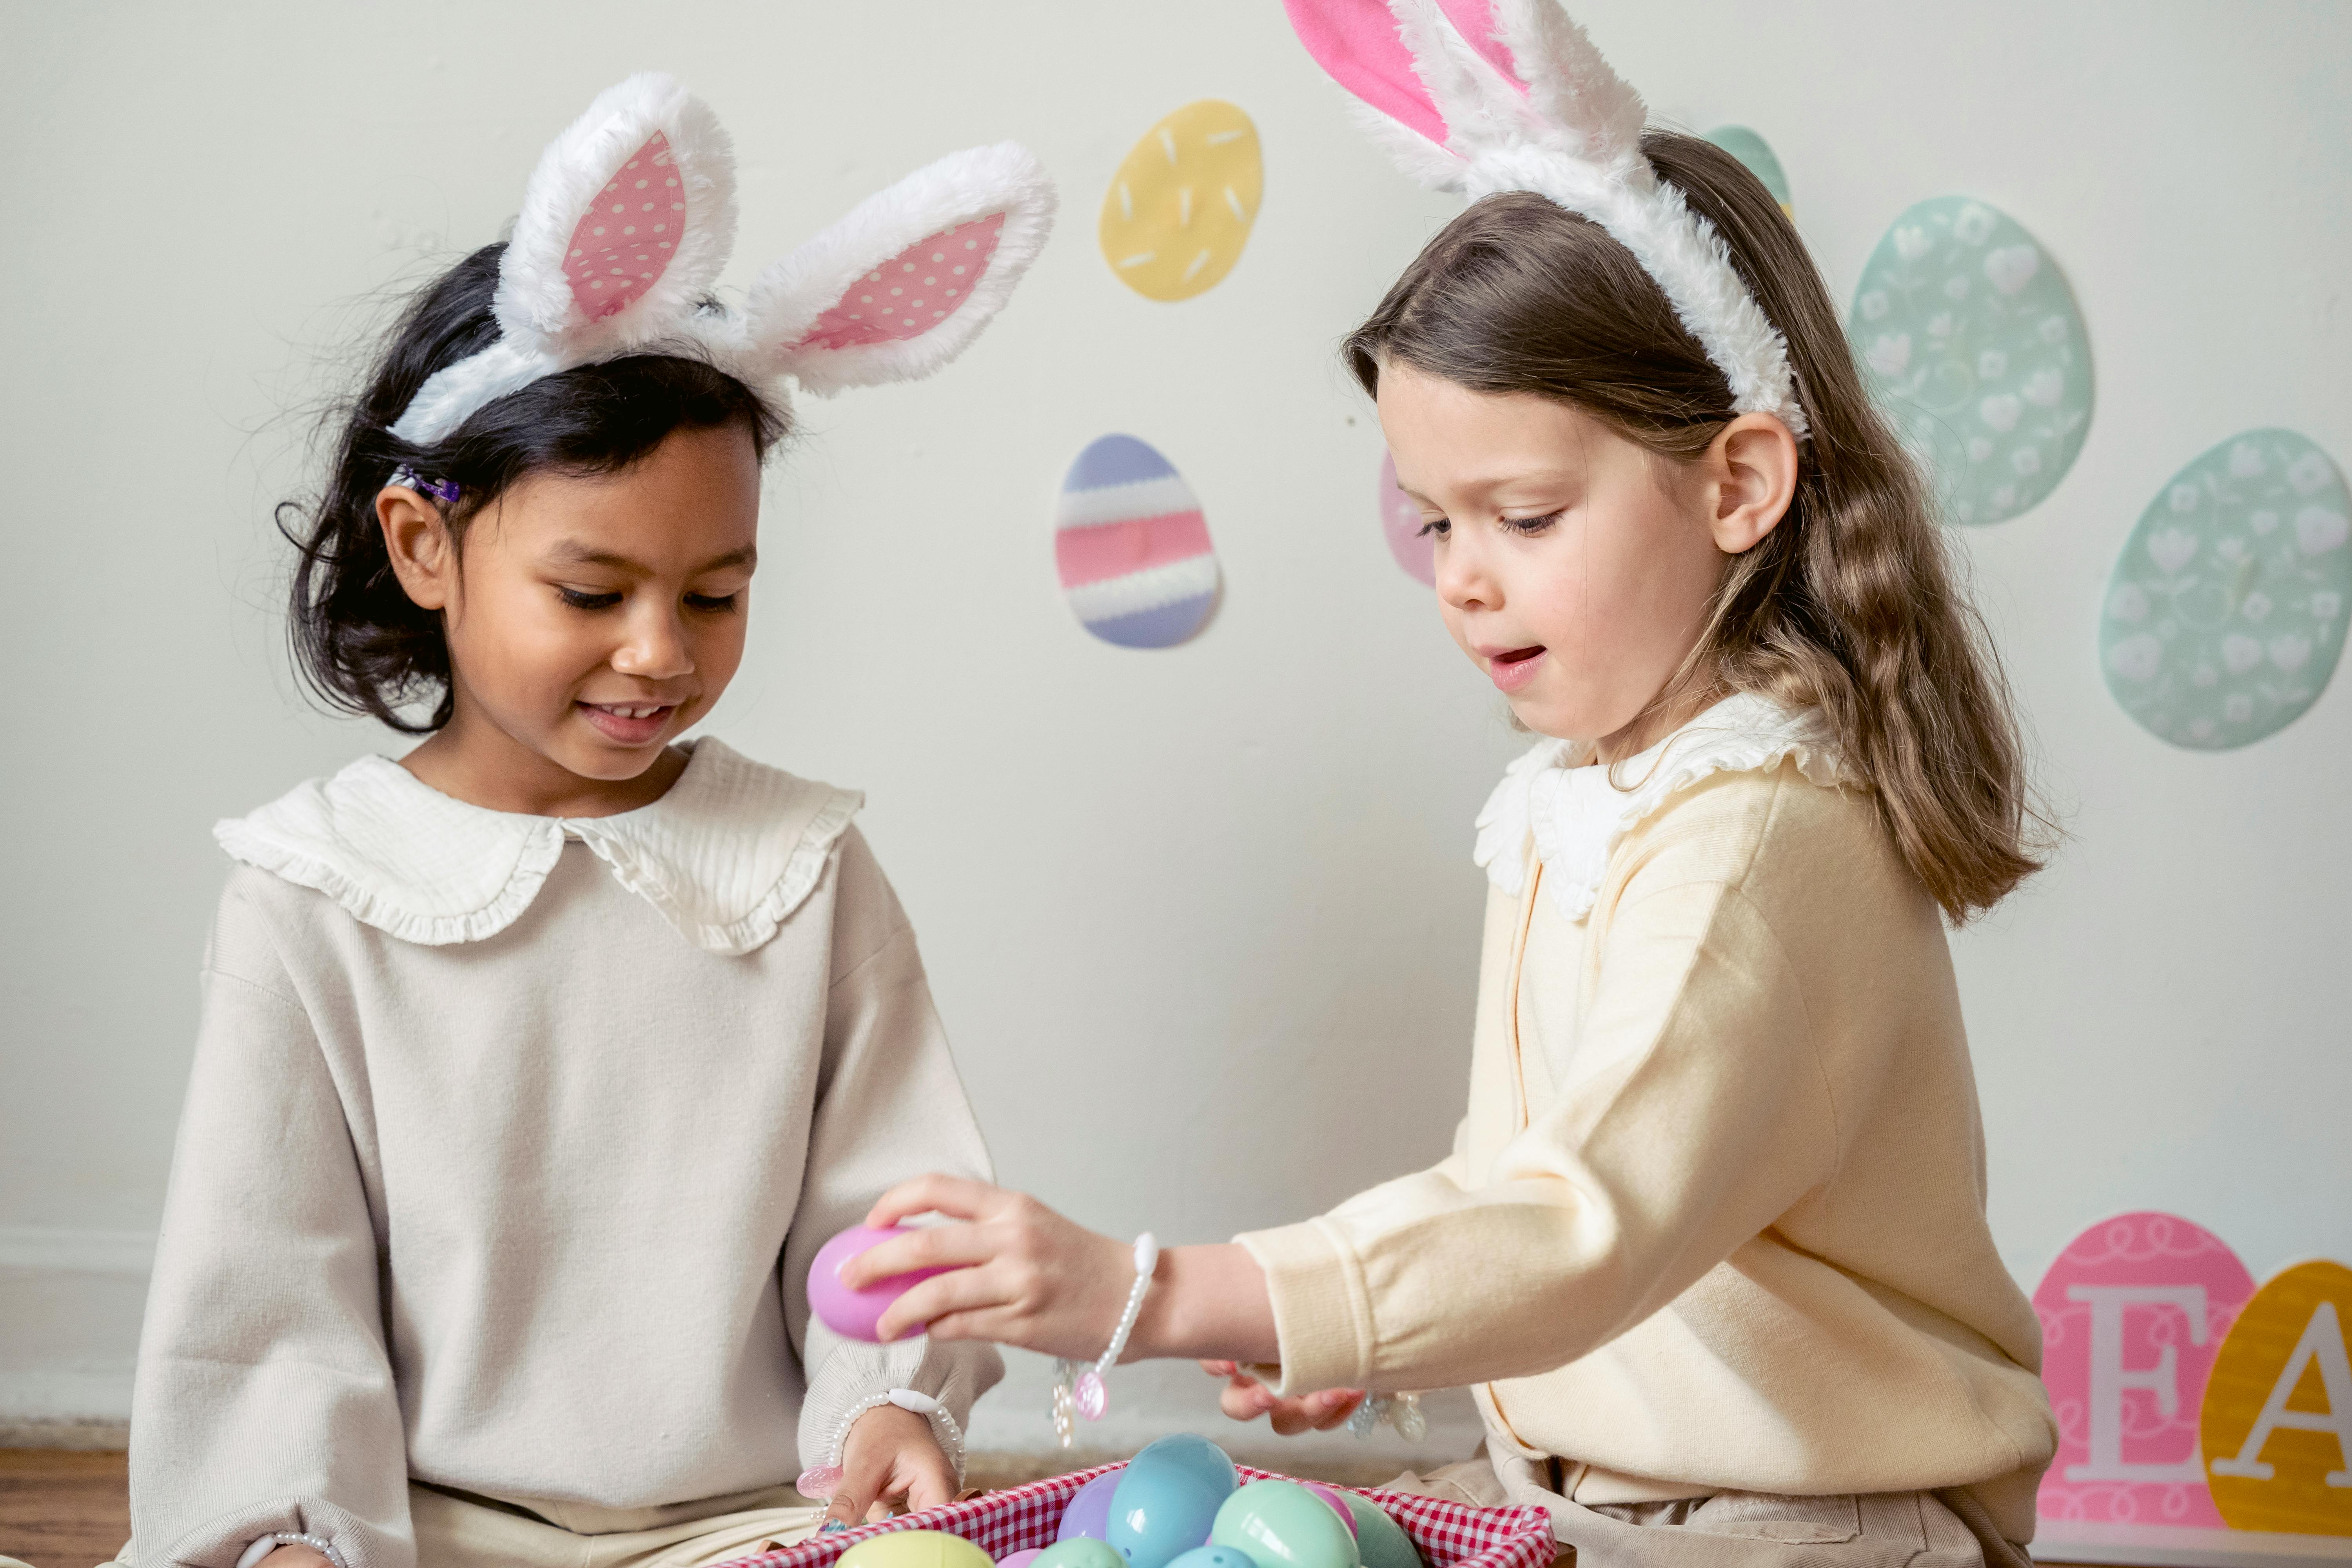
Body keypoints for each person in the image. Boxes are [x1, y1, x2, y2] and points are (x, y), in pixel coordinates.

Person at [833, 5, 2060, 1566]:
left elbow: (1580, 1222)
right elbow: (1516, 1196)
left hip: (1807, 1526)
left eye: (1526, 515)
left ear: (1739, 483)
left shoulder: (1760, 831)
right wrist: (1341, 1332)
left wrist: (1158, 1288)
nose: (1466, 585)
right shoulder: (1591, 791)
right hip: (1607, 1498)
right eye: (1436, 525)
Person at [116, 74, 1055, 1568]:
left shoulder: (800, 868)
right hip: (419, 1538)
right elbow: (270, 1290)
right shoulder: (316, 895)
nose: (660, 653)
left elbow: (891, 1213)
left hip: (761, 1529)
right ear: (427, 544)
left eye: (716, 593)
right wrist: (290, 1531)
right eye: (591, 592)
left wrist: (894, 1408)